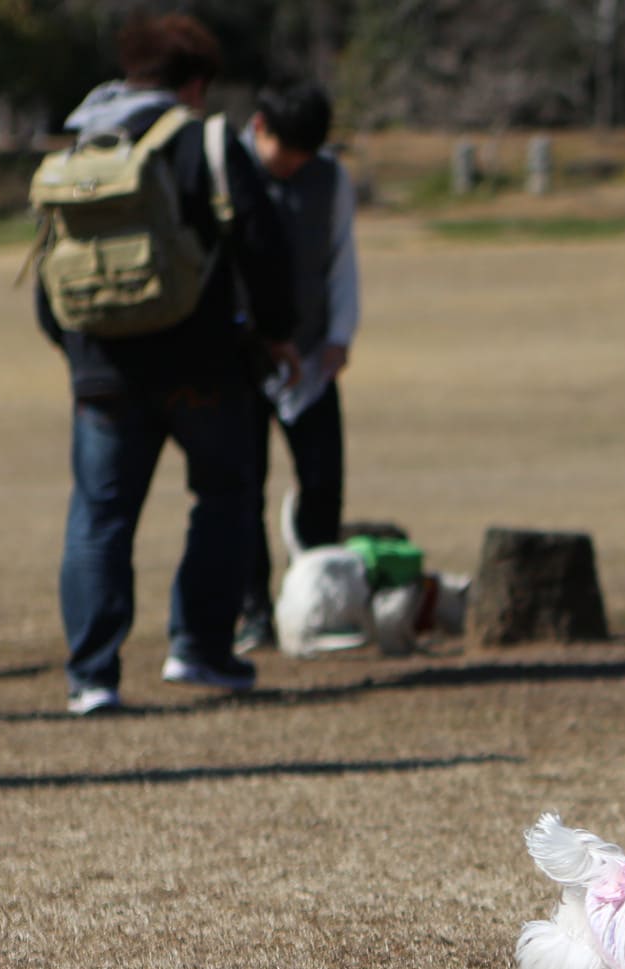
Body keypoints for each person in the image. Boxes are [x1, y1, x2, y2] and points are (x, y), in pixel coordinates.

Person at [42, 12, 297, 715]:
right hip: (202, 364)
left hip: (101, 369)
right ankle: (200, 647)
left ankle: (91, 676)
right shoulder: (204, 142)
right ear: (196, 83)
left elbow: (48, 269)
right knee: (223, 498)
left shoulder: (84, 144)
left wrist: (76, 348)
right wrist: (278, 333)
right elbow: (263, 248)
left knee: (99, 516)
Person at [245, 79, 358, 600]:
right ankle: (251, 608)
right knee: (242, 490)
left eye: (303, 157)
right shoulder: (226, 168)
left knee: (322, 480)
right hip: (243, 361)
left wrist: (338, 335)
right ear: (259, 127)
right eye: (285, 154)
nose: (293, 166)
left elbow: (341, 260)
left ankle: (316, 594)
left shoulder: (330, 179)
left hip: (311, 358)